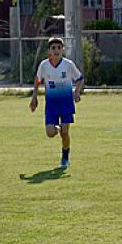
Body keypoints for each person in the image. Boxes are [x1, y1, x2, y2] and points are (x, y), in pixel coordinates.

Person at [29, 37, 84, 169]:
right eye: (53, 48)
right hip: (51, 104)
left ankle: (65, 158)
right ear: (49, 50)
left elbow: (80, 79)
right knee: (50, 133)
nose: (56, 50)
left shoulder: (68, 64)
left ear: (62, 50)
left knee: (65, 133)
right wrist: (34, 97)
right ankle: (58, 128)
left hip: (66, 103)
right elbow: (37, 82)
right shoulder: (44, 65)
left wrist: (76, 92)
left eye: (59, 48)